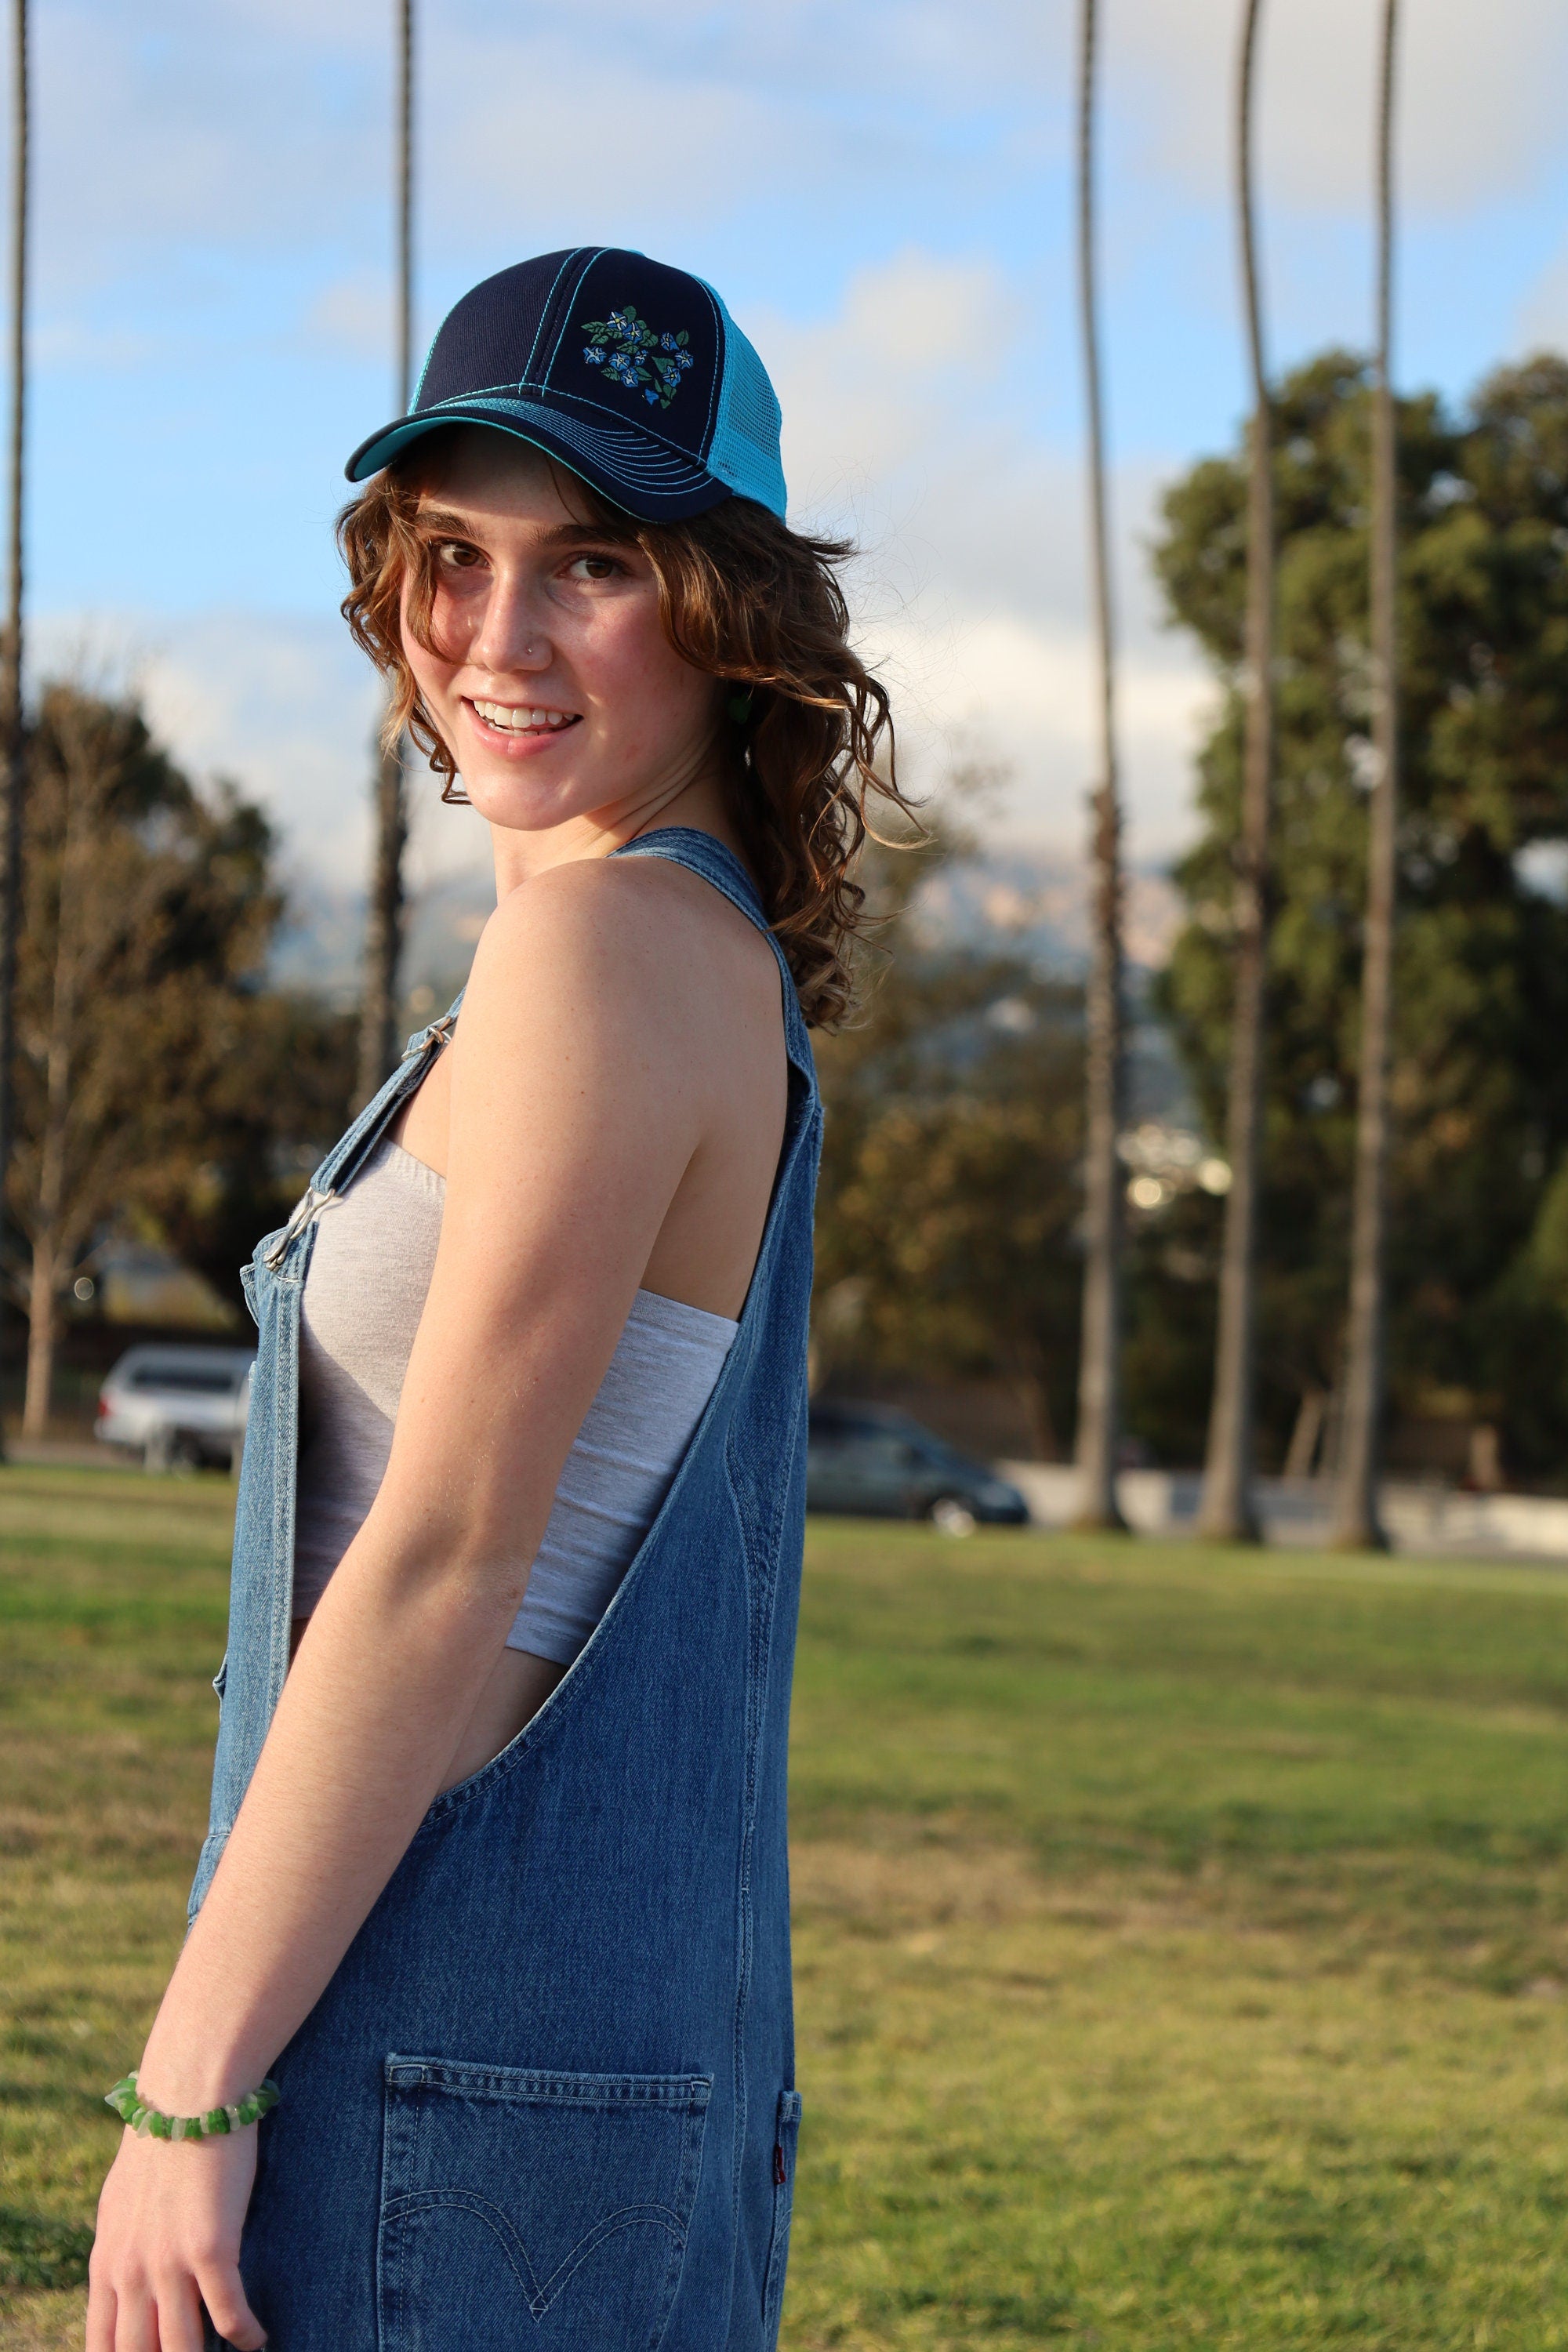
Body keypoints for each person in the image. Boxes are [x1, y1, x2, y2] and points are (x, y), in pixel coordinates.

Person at [86, 247, 905, 2352]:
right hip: (592, 2091)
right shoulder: (704, 967)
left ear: (730, 615)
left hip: (425, 2072)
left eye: (594, 564)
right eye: (452, 554)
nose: (497, 638)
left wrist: (189, 2081)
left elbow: (450, 1559)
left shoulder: (597, 959)